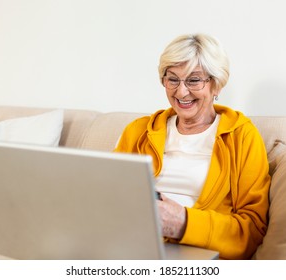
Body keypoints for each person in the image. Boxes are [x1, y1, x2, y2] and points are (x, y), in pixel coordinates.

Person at [114, 33, 270, 260]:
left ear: (216, 84)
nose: (181, 91)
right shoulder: (138, 131)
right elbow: (108, 197)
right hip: (129, 243)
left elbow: (253, 230)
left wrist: (184, 223)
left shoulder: (241, 136)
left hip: (191, 256)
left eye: (194, 80)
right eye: (173, 79)